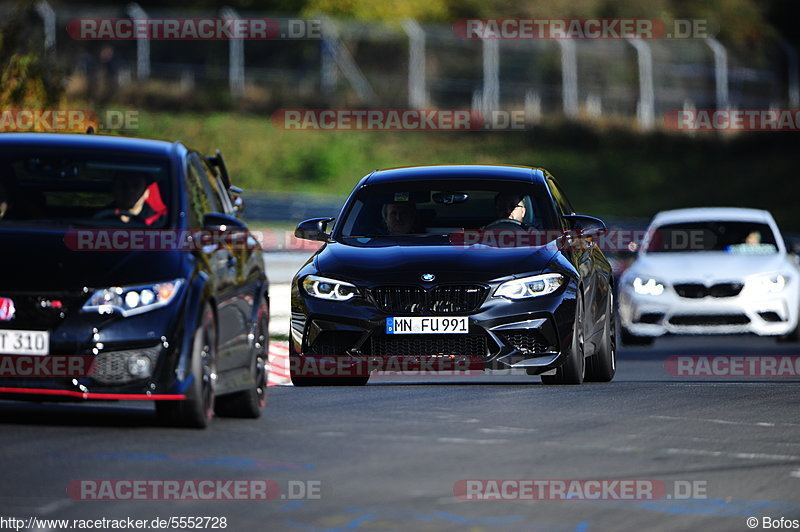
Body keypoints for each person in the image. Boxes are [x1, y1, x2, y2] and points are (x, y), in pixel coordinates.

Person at [94, 171, 161, 225]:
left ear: (147, 192)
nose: (129, 190)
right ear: (114, 188)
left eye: (136, 185)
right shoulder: (99, 219)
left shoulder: (158, 222)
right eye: (123, 184)